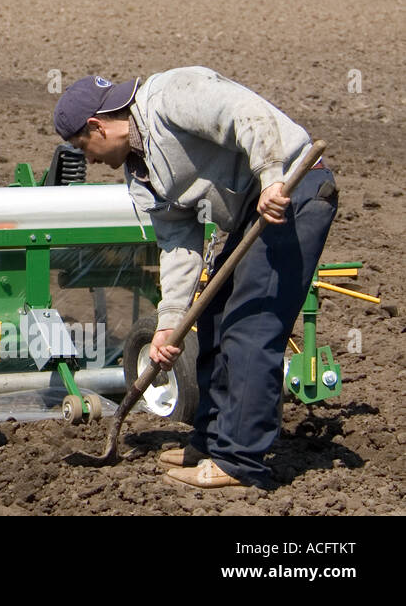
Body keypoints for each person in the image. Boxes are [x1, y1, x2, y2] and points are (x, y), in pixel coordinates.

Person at [53, 67, 338, 489]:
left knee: (251, 325)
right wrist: (169, 322)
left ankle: (240, 462)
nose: (90, 160)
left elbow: (246, 113)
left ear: (97, 125)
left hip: (296, 190)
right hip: (251, 213)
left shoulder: (171, 96)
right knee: (214, 320)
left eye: (84, 147)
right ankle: (211, 441)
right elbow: (179, 244)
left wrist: (272, 180)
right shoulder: (141, 174)